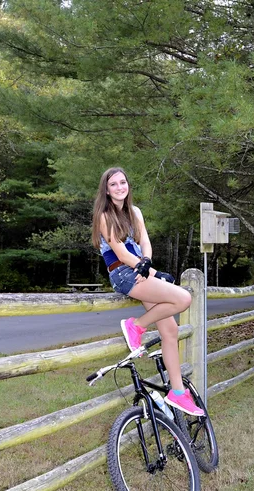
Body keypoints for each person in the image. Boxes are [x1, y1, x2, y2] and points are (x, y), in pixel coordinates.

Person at [92, 166, 204, 416]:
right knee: (183, 298)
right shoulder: (104, 215)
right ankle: (136, 325)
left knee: (170, 330)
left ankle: (177, 393)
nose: (120, 187)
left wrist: (149, 266)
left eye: (123, 182)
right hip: (122, 273)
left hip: (139, 271)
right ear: (107, 190)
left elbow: (144, 244)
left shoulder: (135, 212)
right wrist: (143, 267)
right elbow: (121, 254)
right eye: (113, 184)